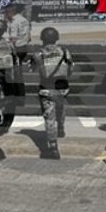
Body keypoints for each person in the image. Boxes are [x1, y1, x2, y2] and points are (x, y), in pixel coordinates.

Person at [33, 26, 72, 158]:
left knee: (50, 118)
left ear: (42, 39)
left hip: (47, 89)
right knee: (61, 108)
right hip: (62, 88)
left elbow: (32, 69)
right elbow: (71, 67)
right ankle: (61, 128)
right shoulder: (65, 51)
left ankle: (53, 148)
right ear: (56, 38)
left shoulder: (38, 54)